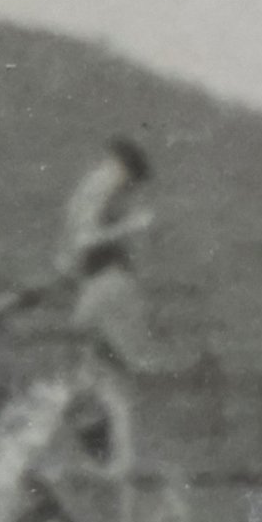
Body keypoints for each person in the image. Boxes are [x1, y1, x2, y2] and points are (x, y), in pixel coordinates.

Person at [56, 140, 160, 375]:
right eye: (130, 184)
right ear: (124, 170)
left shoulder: (93, 183)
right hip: (106, 280)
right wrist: (131, 226)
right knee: (132, 359)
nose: (129, 191)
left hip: (92, 280)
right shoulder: (103, 184)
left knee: (87, 355)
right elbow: (84, 239)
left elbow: (71, 244)